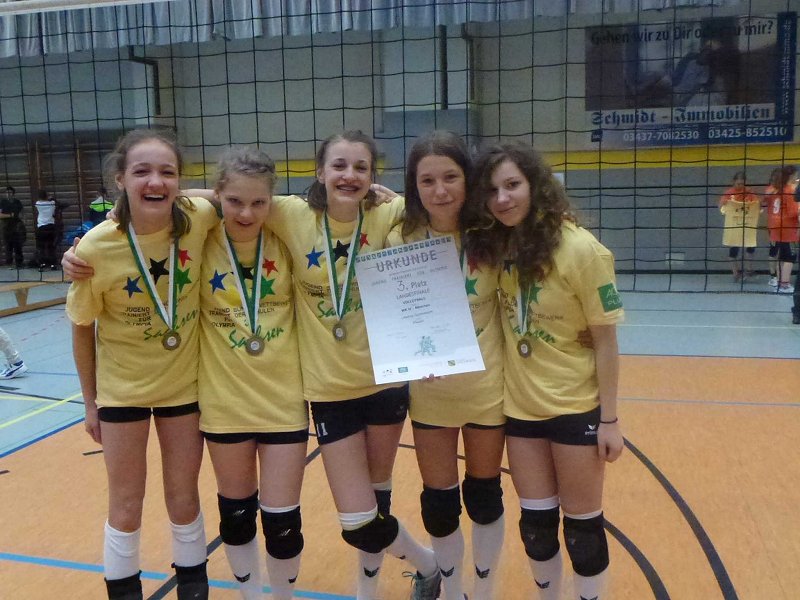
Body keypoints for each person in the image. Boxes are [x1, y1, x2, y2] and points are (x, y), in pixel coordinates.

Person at [264, 131, 440, 600]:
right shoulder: (292, 214)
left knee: (378, 501)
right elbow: (224, 195)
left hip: (385, 384)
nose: (349, 175)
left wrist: (395, 195)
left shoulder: (387, 212)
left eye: (361, 168)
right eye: (339, 165)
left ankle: (368, 593)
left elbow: (446, 206)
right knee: (359, 522)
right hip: (330, 391)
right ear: (319, 171)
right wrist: (117, 219)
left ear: (373, 176)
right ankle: (428, 563)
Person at [465, 141, 625, 600]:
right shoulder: (496, 246)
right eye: (491, 190)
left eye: (512, 185)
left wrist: (610, 420)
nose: (502, 199)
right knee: (536, 529)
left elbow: (606, 342)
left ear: (535, 185)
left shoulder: (583, 251)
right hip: (521, 412)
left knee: (582, 531)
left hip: (575, 408)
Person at [65, 128, 217, 600]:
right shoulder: (94, 248)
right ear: (120, 179)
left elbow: (236, 193)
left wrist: (374, 191)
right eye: (142, 172)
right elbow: (82, 329)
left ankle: (193, 582)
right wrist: (90, 403)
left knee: (184, 496)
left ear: (181, 181)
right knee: (126, 502)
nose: (155, 181)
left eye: (167, 172)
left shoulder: (197, 218)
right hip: (122, 393)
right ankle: (123, 588)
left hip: (183, 388)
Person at [386, 131, 505, 600]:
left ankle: (484, 592)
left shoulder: (493, 232)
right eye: (427, 180)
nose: (440, 190)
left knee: (484, 497)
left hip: (486, 389)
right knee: (439, 504)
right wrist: (411, 354)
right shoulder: (400, 235)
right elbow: (394, 312)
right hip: (430, 392)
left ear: (468, 178)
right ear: (413, 186)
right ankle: (453, 591)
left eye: (451, 177)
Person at [198, 146, 308, 599]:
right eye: (234, 201)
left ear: (272, 202)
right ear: (217, 196)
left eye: (258, 202)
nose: (246, 213)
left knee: (283, 524)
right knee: (236, 517)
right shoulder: (200, 238)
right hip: (224, 403)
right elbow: (161, 201)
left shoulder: (285, 236)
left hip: (283, 402)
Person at [718, 171, 760, 281]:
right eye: (738, 184)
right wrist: (726, 205)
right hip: (735, 226)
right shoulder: (729, 193)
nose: (740, 186)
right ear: (733, 182)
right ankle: (735, 273)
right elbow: (721, 207)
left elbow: (757, 205)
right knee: (734, 249)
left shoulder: (749, 192)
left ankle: (749, 270)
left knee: (750, 246)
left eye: (742, 184)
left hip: (747, 225)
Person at [764, 165, 798, 293]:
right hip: (787, 227)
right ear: (792, 176)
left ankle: (779, 282)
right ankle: (784, 285)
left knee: (781, 255)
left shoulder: (775, 189)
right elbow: (793, 212)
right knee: (790, 257)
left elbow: (764, 201)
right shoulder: (790, 190)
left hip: (775, 226)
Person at [34, 190, 65, 270]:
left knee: (41, 246)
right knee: (51, 246)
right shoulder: (52, 203)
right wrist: (52, 198)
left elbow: (41, 201)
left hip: (41, 227)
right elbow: (59, 204)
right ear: (46, 196)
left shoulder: (38, 204)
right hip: (51, 226)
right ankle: (53, 264)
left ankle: (42, 264)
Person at [763, 168, 782, 287]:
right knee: (774, 250)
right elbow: (763, 201)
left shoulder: (787, 189)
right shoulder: (770, 189)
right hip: (773, 226)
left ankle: (781, 276)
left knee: (784, 251)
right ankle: (773, 276)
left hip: (785, 225)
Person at [1, 185, 25, 269]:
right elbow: (0, 215)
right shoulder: (2, 202)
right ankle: (9, 263)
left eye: (10, 192)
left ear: (13, 194)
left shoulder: (17, 202)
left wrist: (23, 220)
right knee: (8, 246)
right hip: (6, 227)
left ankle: (19, 263)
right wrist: (10, 215)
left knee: (18, 246)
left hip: (16, 227)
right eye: (7, 192)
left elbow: (22, 212)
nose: (8, 194)